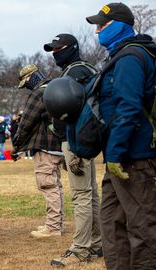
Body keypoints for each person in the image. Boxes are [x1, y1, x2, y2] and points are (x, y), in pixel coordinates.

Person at [85, 3, 156, 269]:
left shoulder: (130, 58)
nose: (97, 31)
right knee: (111, 222)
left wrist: (115, 153)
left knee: (142, 226)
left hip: (134, 158)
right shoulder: (120, 57)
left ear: (119, 25)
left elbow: (129, 107)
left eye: (101, 25)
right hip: (120, 156)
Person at [43, 34, 102, 266]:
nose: (55, 53)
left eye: (59, 48)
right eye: (52, 50)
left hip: (77, 139)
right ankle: (97, 244)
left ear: (72, 48)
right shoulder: (87, 68)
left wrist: (72, 145)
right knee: (91, 193)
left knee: (81, 195)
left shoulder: (75, 73)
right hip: (86, 138)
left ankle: (80, 249)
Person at [11, 64, 64, 238]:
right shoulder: (55, 87)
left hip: (45, 146)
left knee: (48, 185)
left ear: (30, 77)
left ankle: (53, 227)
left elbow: (26, 123)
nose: (26, 86)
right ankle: (55, 223)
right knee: (55, 185)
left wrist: (16, 145)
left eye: (25, 82)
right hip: (59, 146)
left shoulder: (38, 93)